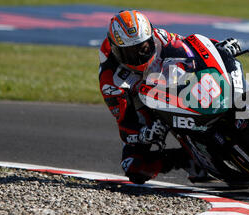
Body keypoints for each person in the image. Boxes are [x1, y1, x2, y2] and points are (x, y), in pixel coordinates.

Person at [98, 9, 241, 184]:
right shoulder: (110, 79)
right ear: (116, 50)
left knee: (225, 68)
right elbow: (125, 125)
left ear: (150, 38)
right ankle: (188, 161)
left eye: (143, 48)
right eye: (130, 52)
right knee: (133, 167)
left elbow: (192, 46)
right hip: (145, 106)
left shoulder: (161, 38)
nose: (138, 56)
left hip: (172, 80)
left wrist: (219, 48)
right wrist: (144, 134)